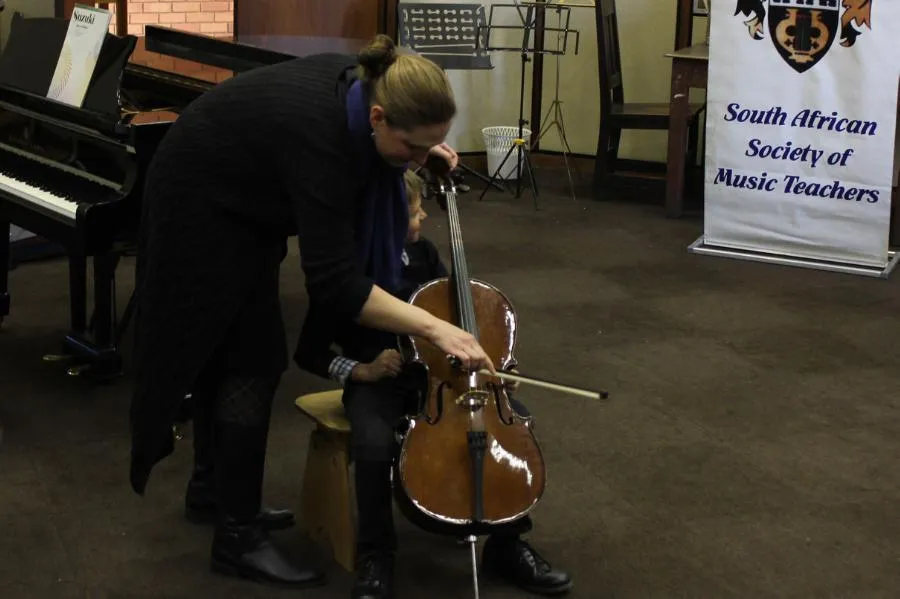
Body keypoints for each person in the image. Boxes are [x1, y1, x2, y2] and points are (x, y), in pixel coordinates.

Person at [128, 35, 496, 589]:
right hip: (198, 205)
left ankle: (214, 494)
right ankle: (237, 538)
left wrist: (421, 150)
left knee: (228, 348)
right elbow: (336, 284)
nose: (420, 162)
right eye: (412, 148)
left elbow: (396, 149)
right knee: (251, 360)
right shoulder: (321, 142)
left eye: (433, 146)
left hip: (242, 197)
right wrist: (435, 326)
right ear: (378, 118)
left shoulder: (372, 92)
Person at [294, 169, 573, 598]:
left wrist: (489, 367)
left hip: (444, 381)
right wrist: (360, 369)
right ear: (383, 218)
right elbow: (308, 353)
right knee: (373, 443)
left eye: (424, 208)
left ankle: (507, 543)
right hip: (381, 383)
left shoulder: (422, 253)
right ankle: (377, 553)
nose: (423, 218)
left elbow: (461, 312)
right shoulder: (344, 273)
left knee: (515, 423)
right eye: (415, 212)